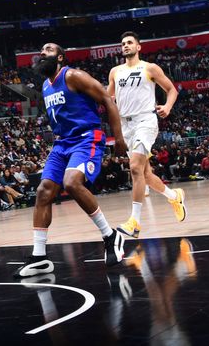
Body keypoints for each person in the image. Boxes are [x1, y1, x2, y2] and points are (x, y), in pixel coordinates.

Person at [14, 43, 128, 278]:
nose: (42, 52)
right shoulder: (45, 85)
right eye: (41, 49)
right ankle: (40, 257)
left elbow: (108, 100)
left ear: (60, 57)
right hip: (62, 143)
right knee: (43, 191)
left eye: (47, 50)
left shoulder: (73, 75)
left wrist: (118, 138)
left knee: (72, 182)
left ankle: (110, 235)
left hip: (86, 138)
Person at [107, 32, 186, 240]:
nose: (125, 46)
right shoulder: (115, 71)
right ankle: (174, 196)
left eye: (130, 42)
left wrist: (168, 107)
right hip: (126, 125)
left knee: (134, 169)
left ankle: (134, 223)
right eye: (123, 43)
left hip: (145, 120)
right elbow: (108, 99)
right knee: (146, 176)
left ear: (138, 47)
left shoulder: (149, 68)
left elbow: (171, 90)